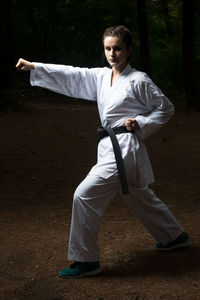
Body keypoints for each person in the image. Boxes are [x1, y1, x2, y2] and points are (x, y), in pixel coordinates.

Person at [16, 25, 189, 279]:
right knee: (137, 194)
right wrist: (36, 67)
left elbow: (166, 108)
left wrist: (140, 123)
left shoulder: (138, 80)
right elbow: (73, 75)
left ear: (129, 49)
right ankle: (174, 235)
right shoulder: (102, 77)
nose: (112, 53)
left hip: (125, 150)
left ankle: (86, 260)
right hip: (109, 147)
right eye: (108, 48)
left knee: (83, 196)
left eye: (118, 48)